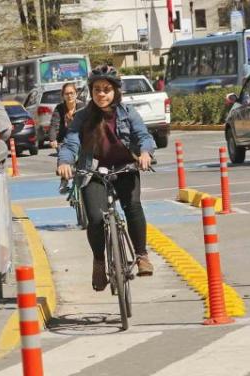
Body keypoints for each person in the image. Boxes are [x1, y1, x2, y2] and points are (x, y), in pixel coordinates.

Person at [56, 65, 156, 292]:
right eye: (97, 89)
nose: (101, 94)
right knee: (95, 218)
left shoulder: (128, 113)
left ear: (116, 92)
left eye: (107, 89)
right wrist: (64, 162)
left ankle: (141, 255)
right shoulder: (82, 117)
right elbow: (71, 143)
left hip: (124, 168)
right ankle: (99, 261)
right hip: (93, 173)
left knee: (133, 206)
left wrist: (145, 153)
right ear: (91, 92)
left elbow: (143, 136)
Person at [49, 82, 86, 150]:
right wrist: (52, 139)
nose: (69, 96)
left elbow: (88, 124)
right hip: (64, 142)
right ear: (63, 96)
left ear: (76, 94)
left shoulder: (82, 107)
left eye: (72, 93)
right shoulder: (59, 108)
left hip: (81, 142)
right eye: (66, 94)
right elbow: (54, 125)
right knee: (64, 159)